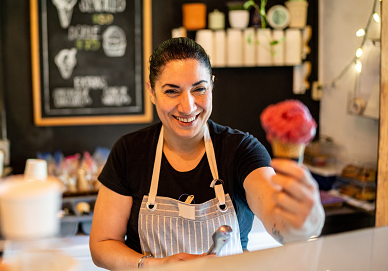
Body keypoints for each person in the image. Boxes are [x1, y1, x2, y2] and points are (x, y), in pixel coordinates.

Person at [89, 37, 324, 269]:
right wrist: (155, 265)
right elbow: (102, 245)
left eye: (199, 88)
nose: (188, 106)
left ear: (211, 84)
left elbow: (278, 219)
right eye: (172, 91)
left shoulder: (242, 150)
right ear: (152, 91)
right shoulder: (129, 151)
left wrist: (307, 222)